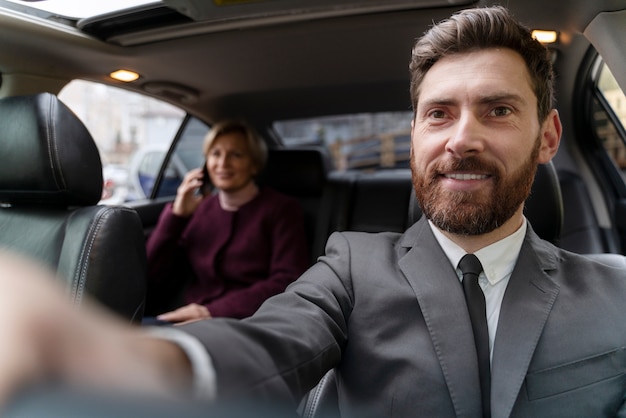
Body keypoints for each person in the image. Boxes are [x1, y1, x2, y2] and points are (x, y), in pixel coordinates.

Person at [0, 6, 625, 418]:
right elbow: (270, 342)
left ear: (548, 137)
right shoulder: (353, 263)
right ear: (413, 135)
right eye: (439, 113)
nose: (461, 138)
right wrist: (115, 359)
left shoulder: (616, 289)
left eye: (497, 110)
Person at [145, 119, 309, 323]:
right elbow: (153, 271)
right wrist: (176, 216)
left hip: (249, 319)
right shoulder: (203, 208)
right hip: (191, 313)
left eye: (236, 155)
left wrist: (211, 312)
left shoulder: (281, 209)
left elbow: (287, 279)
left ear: (254, 164)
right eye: (215, 154)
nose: (223, 164)